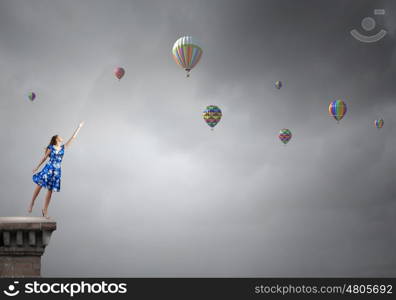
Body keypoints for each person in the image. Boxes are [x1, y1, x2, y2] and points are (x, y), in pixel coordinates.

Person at [28, 121, 84, 218]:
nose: (62, 137)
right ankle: (32, 203)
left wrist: (78, 127)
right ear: (56, 139)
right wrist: (37, 167)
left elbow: (73, 138)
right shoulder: (51, 147)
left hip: (56, 171)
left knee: (50, 191)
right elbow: (44, 158)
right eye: (59, 136)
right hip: (49, 168)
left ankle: (45, 210)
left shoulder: (63, 147)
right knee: (39, 185)